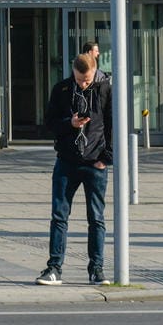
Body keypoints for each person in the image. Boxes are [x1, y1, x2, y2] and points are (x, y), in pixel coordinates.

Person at [37, 52, 111, 286]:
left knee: (96, 218)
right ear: (73, 72)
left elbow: (114, 124)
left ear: (94, 71)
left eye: (87, 79)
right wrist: (69, 124)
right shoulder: (62, 90)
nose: (84, 83)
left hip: (95, 162)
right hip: (67, 161)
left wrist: (106, 158)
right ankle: (54, 267)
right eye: (79, 79)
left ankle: (96, 268)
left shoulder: (105, 89)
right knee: (59, 216)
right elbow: (49, 123)